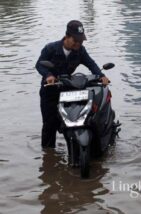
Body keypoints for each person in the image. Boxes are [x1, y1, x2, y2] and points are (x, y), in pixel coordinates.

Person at [36, 20, 110, 149]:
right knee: (49, 125)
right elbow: (39, 65)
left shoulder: (80, 51)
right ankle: (48, 155)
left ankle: (76, 149)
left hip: (67, 91)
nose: (78, 43)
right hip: (50, 91)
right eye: (75, 40)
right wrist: (48, 75)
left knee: (75, 121)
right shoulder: (51, 49)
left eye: (80, 41)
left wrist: (101, 76)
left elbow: (91, 64)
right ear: (67, 37)